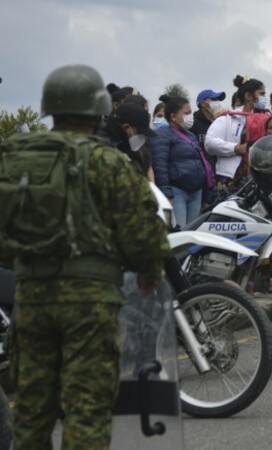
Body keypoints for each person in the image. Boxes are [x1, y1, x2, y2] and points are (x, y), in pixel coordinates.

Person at [1, 64, 169, 449]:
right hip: (91, 304)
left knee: (31, 409)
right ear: (98, 110)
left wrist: (23, 262)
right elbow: (143, 228)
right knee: (86, 411)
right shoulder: (108, 161)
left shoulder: (13, 156)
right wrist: (149, 269)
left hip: (31, 299)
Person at [205, 75, 268, 198]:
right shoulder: (228, 118)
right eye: (261, 94)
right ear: (248, 96)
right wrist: (236, 148)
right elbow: (209, 143)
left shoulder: (267, 120)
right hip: (231, 179)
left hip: (259, 178)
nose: (264, 98)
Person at [151, 94, 206, 226]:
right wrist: (167, 194)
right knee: (180, 233)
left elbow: (200, 162)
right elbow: (160, 166)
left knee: (192, 236)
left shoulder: (190, 135)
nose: (190, 117)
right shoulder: (162, 135)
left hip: (196, 192)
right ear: (174, 117)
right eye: (186, 113)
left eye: (191, 113)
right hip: (177, 193)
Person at [97, 102, 156, 181]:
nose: (143, 137)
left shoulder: (128, 141)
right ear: (126, 127)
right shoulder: (104, 144)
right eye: (140, 133)